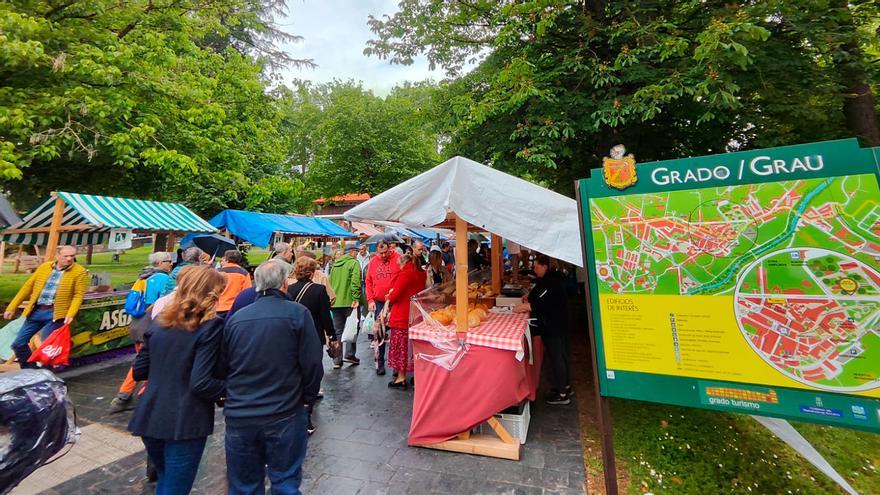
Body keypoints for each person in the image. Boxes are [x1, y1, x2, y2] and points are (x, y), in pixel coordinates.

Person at [218, 260, 323, 495]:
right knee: (285, 481)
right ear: (285, 283)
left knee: (244, 485)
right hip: (284, 411)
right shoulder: (297, 314)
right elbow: (313, 363)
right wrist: (307, 398)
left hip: (241, 413)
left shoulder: (237, 318)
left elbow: (222, 365)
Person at [128, 266, 227, 494]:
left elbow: (139, 371)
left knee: (166, 481)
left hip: (150, 412)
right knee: (175, 486)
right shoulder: (211, 327)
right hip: (185, 418)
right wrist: (233, 388)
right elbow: (201, 382)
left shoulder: (160, 322)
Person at [109, 251, 174, 413]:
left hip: (138, 325)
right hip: (152, 326)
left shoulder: (142, 277)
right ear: (159, 263)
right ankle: (126, 396)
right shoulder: (164, 279)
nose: (171, 263)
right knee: (147, 361)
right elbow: (162, 306)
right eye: (168, 261)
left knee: (144, 359)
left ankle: (130, 396)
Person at [4, 245, 88, 368]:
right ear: (57, 255)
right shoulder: (44, 267)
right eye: (66, 256)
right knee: (18, 343)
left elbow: (78, 295)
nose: (69, 259)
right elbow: (28, 287)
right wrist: (12, 307)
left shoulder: (79, 271)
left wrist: (70, 314)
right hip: (36, 311)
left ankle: (47, 375)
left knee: (46, 348)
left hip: (55, 313)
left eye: (72, 256)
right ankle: (30, 370)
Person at [514, 254, 572, 405]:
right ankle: (565, 385)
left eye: (536, 267)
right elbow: (538, 296)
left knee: (557, 356)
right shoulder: (552, 279)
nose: (534, 270)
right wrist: (530, 297)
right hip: (559, 323)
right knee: (561, 355)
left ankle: (562, 394)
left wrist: (520, 307)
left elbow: (538, 304)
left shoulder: (550, 282)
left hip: (553, 324)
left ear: (545, 266)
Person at [287, 257, 334, 436]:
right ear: (313, 272)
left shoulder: (289, 290)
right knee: (313, 372)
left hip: (294, 336)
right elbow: (325, 316)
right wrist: (332, 335)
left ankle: (295, 406)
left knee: (297, 371)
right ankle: (306, 412)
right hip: (313, 336)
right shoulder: (319, 290)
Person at [385, 254, 426, 389]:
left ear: (403, 263)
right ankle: (416, 375)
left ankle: (401, 378)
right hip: (416, 315)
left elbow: (396, 294)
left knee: (400, 347)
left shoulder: (405, 274)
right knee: (413, 347)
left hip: (402, 315)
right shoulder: (421, 273)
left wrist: (389, 296)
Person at [364, 240, 401, 375]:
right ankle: (380, 363)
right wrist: (370, 300)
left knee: (397, 334)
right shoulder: (373, 262)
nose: (384, 255)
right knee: (379, 334)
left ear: (390, 248)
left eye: (386, 252)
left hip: (395, 302)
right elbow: (368, 281)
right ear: (377, 251)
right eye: (381, 253)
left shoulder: (398, 258)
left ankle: (397, 366)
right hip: (379, 302)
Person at [328, 244, 362, 369]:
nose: (357, 254)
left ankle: (337, 359)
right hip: (349, 301)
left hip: (336, 302)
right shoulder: (353, 263)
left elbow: (329, 283)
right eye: (356, 251)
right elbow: (355, 282)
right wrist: (356, 298)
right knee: (352, 328)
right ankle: (349, 354)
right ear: (352, 252)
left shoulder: (335, 265)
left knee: (338, 331)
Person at [217, 250, 252, 317]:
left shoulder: (217, 272)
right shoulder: (243, 273)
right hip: (235, 308)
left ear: (226, 259)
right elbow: (247, 292)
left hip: (218, 307)